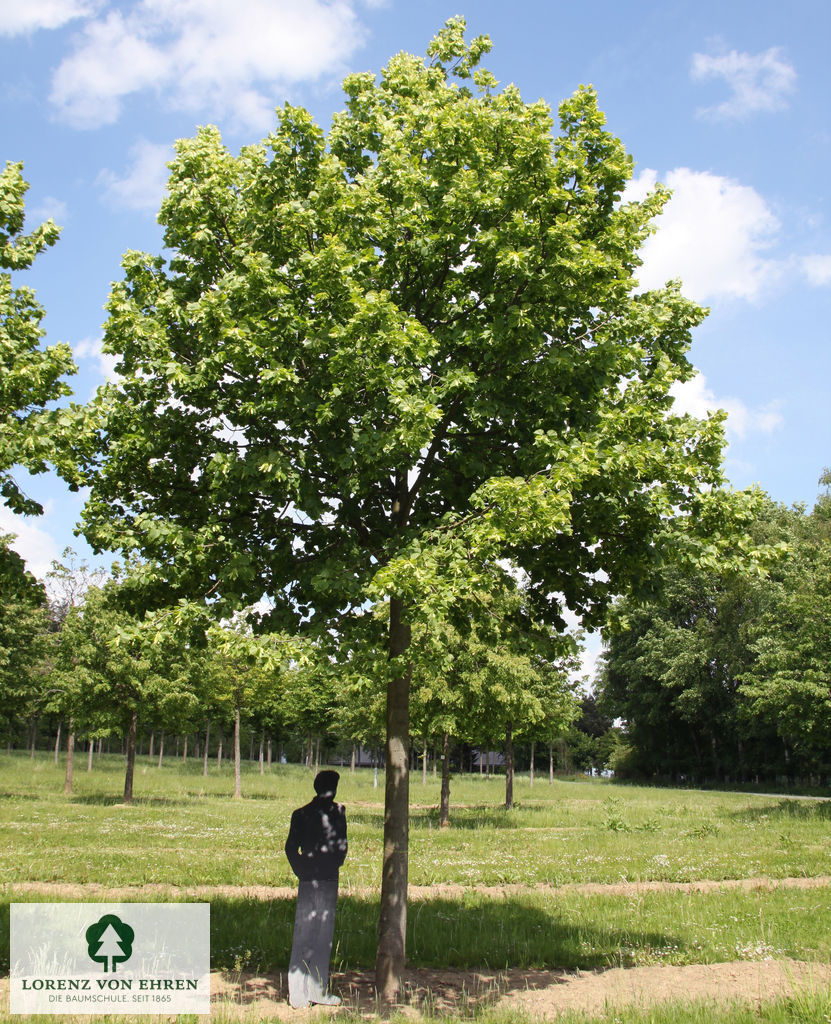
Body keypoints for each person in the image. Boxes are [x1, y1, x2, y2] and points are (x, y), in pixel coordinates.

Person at [284, 769, 348, 1008]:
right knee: (305, 935)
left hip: (327, 878)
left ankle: (316, 991)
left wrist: (331, 864)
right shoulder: (301, 815)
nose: (333, 792)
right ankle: (298, 995)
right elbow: (291, 848)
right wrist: (303, 870)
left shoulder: (338, 812)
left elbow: (342, 844)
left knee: (322, 936)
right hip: (313, 880)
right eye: (331, 786)